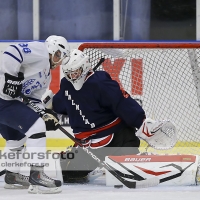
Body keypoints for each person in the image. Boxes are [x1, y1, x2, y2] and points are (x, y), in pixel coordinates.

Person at [50, 49, 177, 183]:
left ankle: (143, 159)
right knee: (69, 173)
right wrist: (50, 106)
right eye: (69, 74)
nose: (72, 77)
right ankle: (100, 165)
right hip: (89, 144)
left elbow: (122, 103)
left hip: (117, 137)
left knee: (130, 170)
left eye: (75, 72)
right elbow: (63, 103)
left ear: (84, 67)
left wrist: (141, 123)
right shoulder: (66, 84)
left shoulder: (100, 83)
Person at [0, 35, 70, 194]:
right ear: (52, 48)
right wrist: (11, 77)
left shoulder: (47, 76)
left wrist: (45, 113)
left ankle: (12, 176)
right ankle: (37, 175)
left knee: (17, 137)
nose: (59, 60)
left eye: (61, 57)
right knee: (37, 128)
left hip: (7, 103)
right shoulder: (41, 51)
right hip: (3, 100)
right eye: (58, 54)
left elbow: (33, 99)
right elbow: (11, 52)